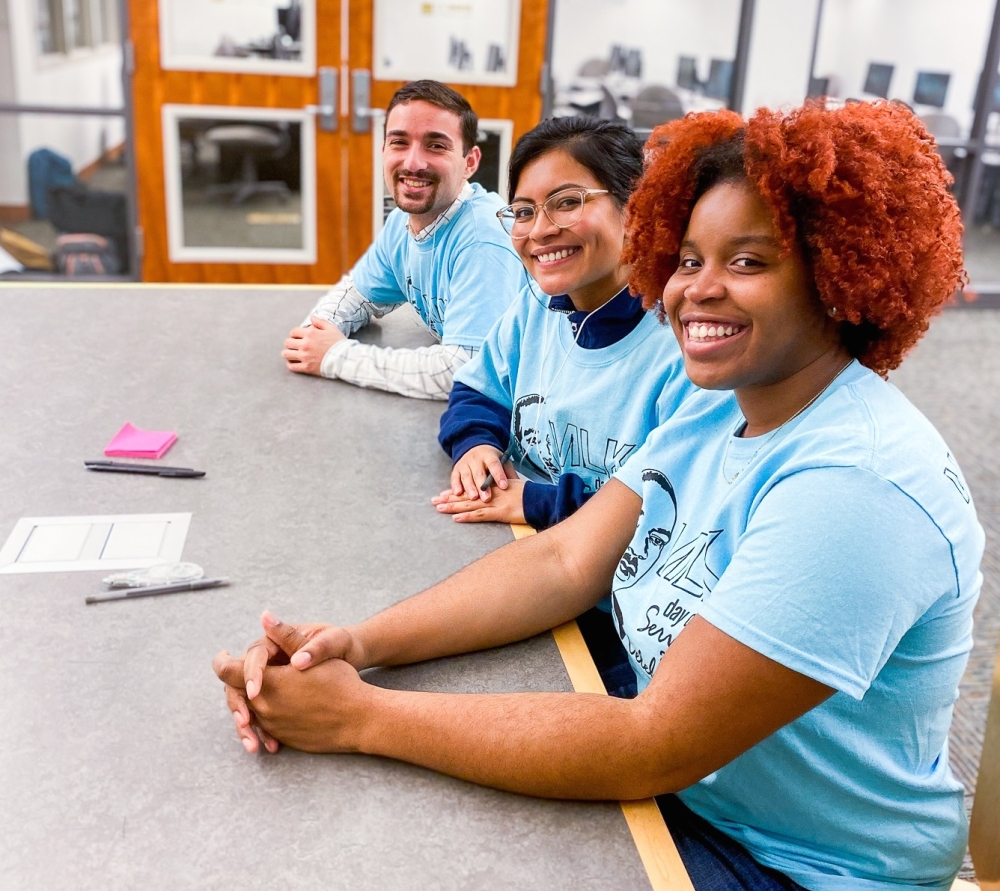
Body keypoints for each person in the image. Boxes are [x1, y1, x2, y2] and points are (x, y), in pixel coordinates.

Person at [215, 100, 983, 890]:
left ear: (838, 274)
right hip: (689, 796)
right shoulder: (722, 403)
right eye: (688, 259)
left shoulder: (858, 486)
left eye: (748, 262)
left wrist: (356, 715)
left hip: (793, 864)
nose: (698, 290)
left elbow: (654, 741)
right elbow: (566, 562)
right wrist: (355, 644)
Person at [432, 117, 699, 530]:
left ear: (636, 208)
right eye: (524, 211)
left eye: (568, 202)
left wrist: (540, 502)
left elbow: (673, 509)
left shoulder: (685, 344)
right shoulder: (536, 305)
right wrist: (476, 443)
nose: (540, 230)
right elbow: (478, 389)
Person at [282, 80, 524, 400]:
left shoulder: (484, 239)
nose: (412, 163)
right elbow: (358, 294)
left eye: (436, 146)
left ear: (470, 162)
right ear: (383, 150)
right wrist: (315, 334)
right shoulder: (402, 222)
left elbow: (464, 372)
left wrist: (335, 356)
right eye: (399, 142)